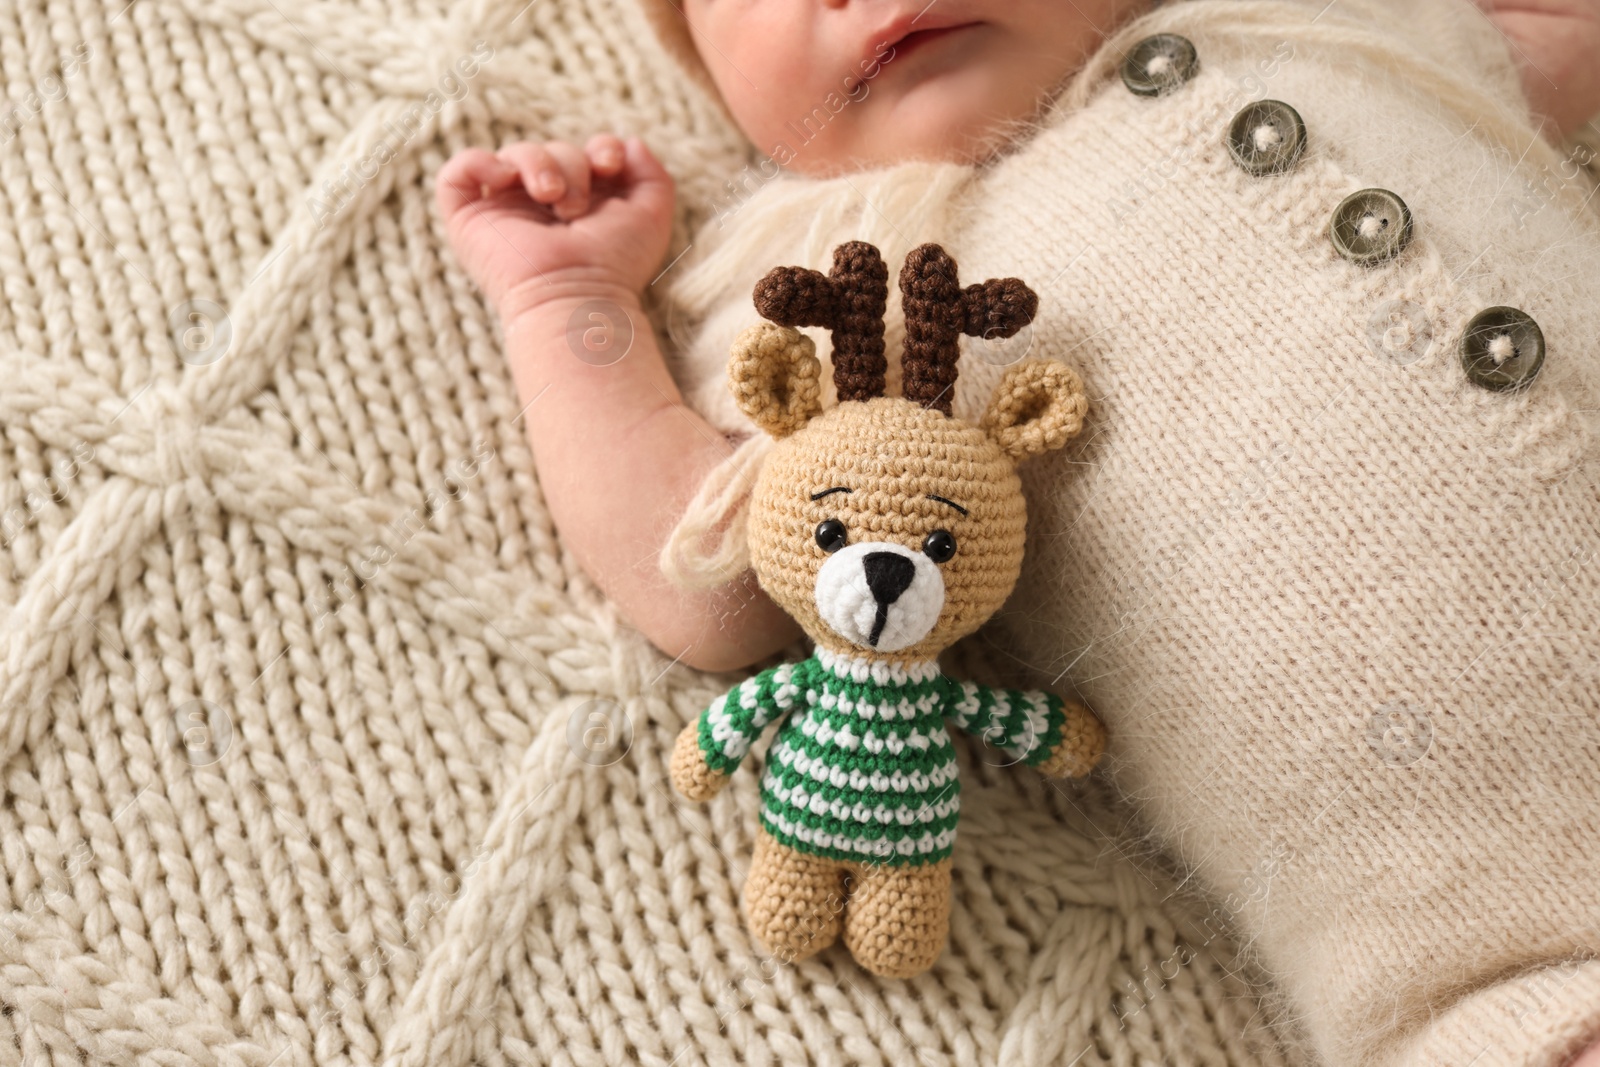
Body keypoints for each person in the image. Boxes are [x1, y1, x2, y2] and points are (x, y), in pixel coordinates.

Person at [433, 1, 1600, 1064]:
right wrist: (567, 304)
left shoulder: (1348, 25)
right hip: (1517, 964)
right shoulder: (869, 289)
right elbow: (701, 584)